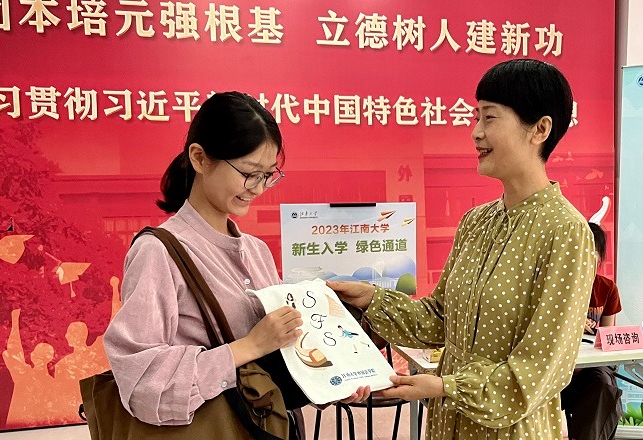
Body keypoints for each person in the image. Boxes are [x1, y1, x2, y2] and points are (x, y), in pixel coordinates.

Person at [328, 59, 597, 439]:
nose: (476, 132)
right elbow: (439, 320)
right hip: (448, 423)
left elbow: (542, 367)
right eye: (476, 117)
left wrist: (446, 386)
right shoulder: (476, 221)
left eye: (490, 118)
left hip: (512, 430)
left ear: (540, 129)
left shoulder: (566, 231)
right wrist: (371, 299)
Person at [103, 92, 369, 437]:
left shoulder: (257, 251)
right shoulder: (158, 252)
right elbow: (142, 381)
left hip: (271, 427)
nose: (258, 188)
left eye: (268, 175)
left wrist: (331, 379)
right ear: (200, 158)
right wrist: (250, 346)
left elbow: (277, 360)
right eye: (248, 173)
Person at [561, 222, 623, 440]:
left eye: (592, 252)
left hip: (592, 367)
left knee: (603, 386)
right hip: (557, 365)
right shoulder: (555, 288)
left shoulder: (607, 289)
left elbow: (608, 338)